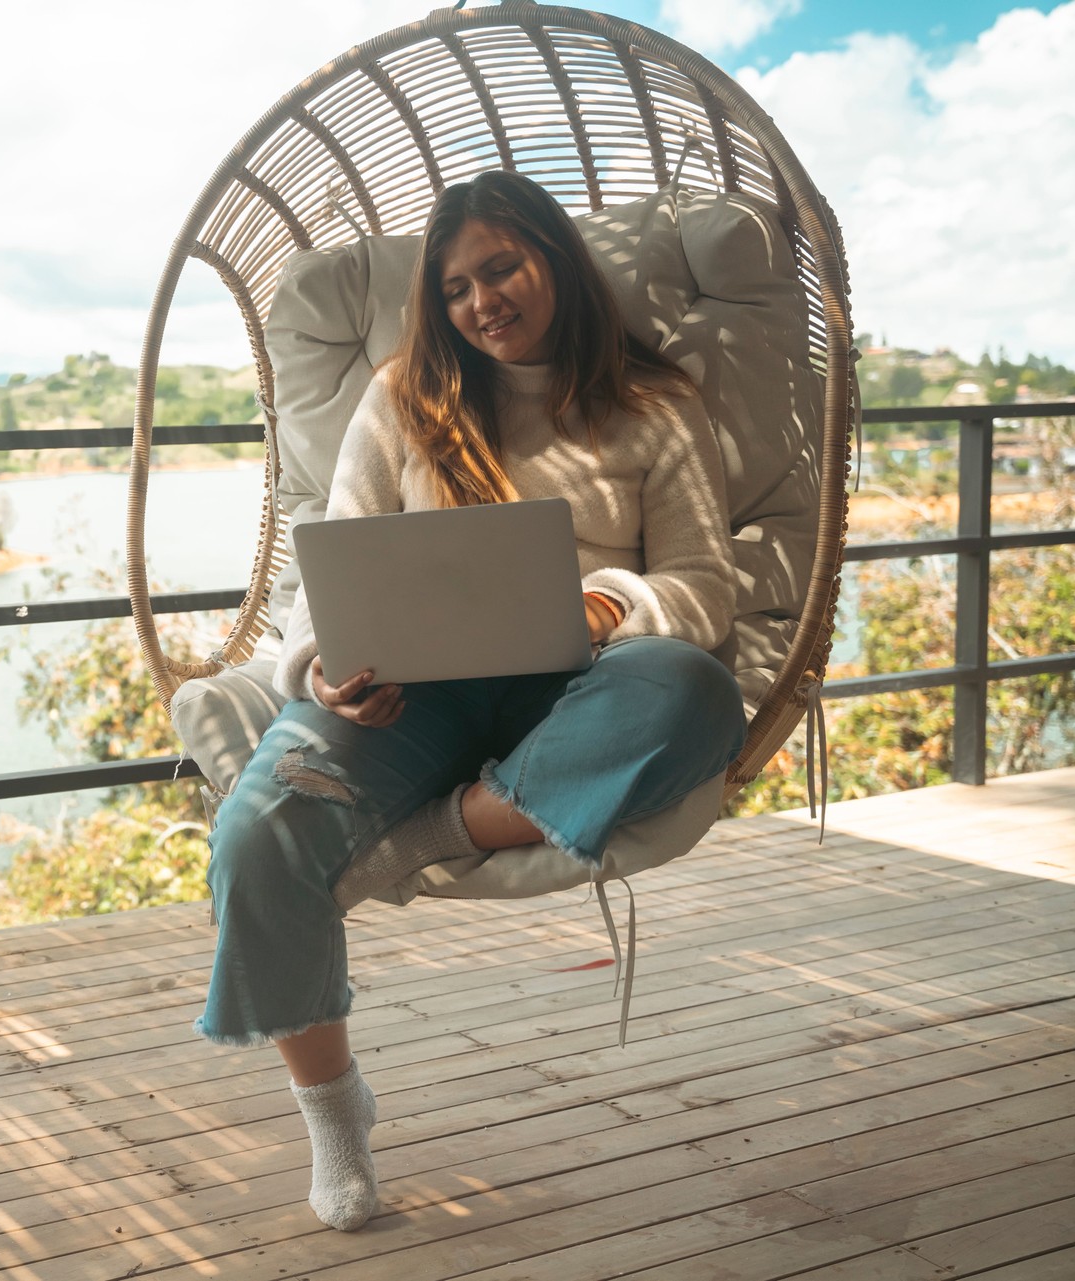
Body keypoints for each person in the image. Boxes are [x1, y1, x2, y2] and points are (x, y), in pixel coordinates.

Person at [192, 170, 748, 1231]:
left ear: (556, 260)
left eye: (502, 268)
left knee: (694, 690)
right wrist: (325, 671)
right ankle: (335, 1112)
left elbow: (705, 587)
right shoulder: (405, 395)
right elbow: (333, 565)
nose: (480, 301)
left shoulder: (653, 404)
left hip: (588, 686)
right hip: (413, 693)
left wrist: (603, 606)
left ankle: (423, 835)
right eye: (454, 287)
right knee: (258, 833)